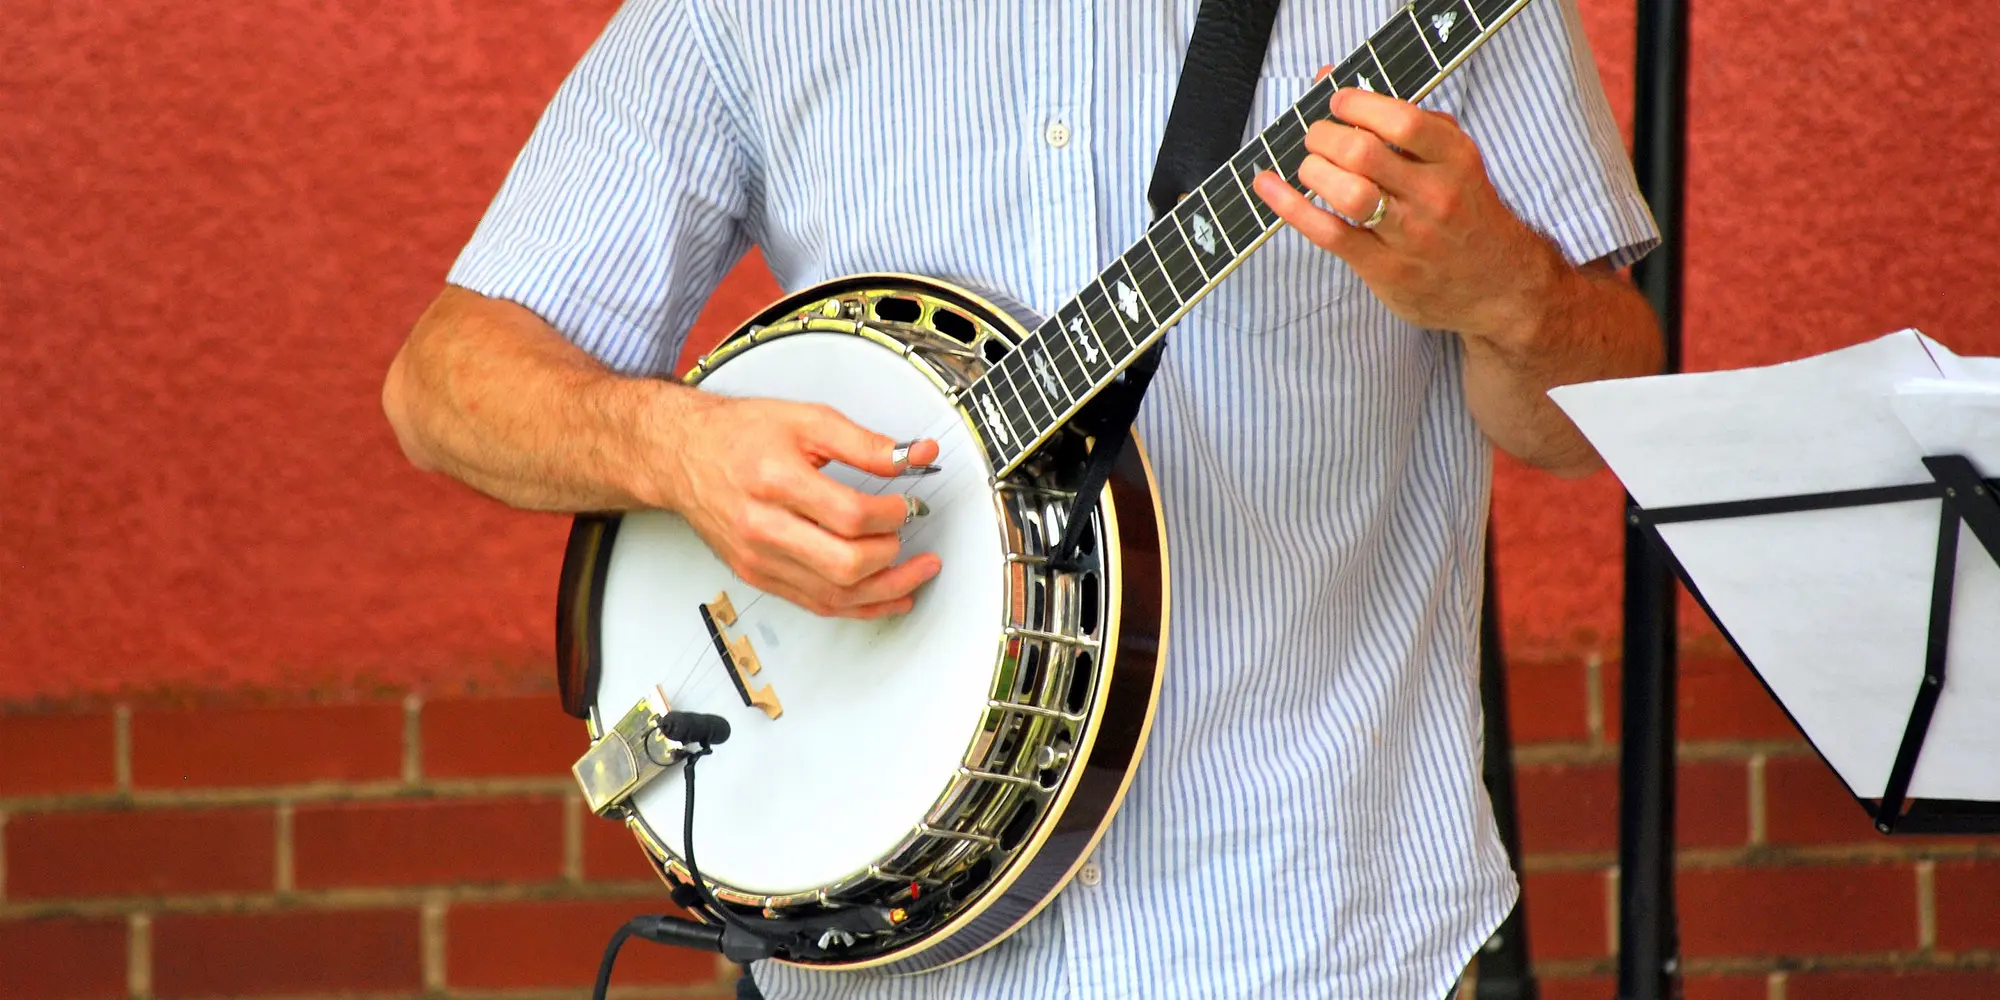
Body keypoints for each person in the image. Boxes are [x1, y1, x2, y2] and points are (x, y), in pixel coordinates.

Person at [382, 1, 1661, 997]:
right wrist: (678, 449)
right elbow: (442, 381)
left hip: (1310, 922)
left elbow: (1596, 413)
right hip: (884, 949)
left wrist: (1507, 289)